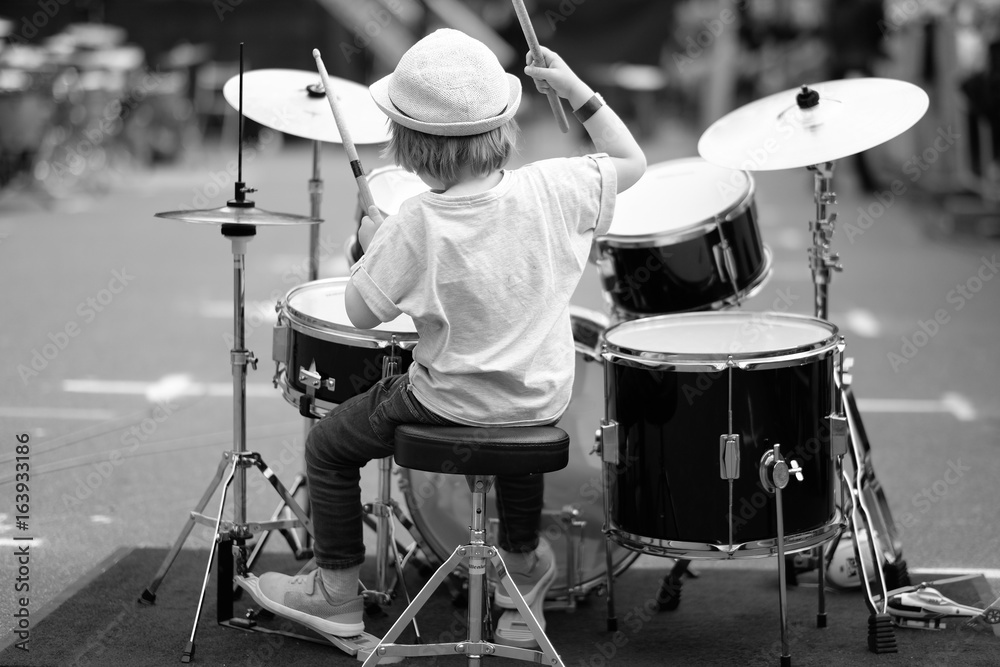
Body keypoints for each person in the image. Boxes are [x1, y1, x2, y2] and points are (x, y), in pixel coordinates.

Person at [253, 28, 646, 641]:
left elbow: (360, 312)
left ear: (409, 146)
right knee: (517, 421)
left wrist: (368, 245)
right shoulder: (553, 186)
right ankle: (520, 569)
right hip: (536, 400)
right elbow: (632, 162)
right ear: (503, 123)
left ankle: (335, 592)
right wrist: (573, 88)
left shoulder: (416, 222)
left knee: (329, 445)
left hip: (445, 404)